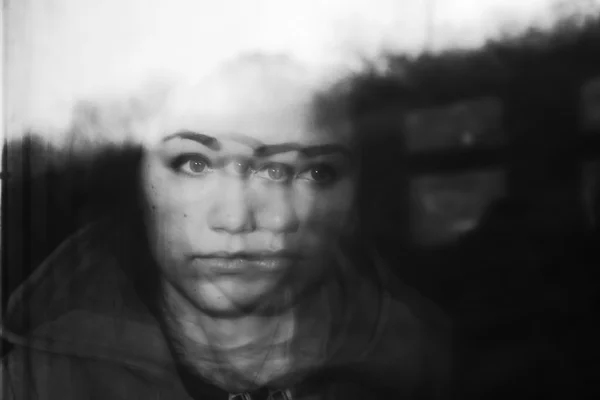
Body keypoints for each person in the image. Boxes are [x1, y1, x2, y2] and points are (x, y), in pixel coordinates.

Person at [1, 54, 451, 399]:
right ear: (137, 181)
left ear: (355, 198)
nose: (237, 219)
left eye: (313, 172)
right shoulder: (37, 380)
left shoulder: (419, 360)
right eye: (193, 163)